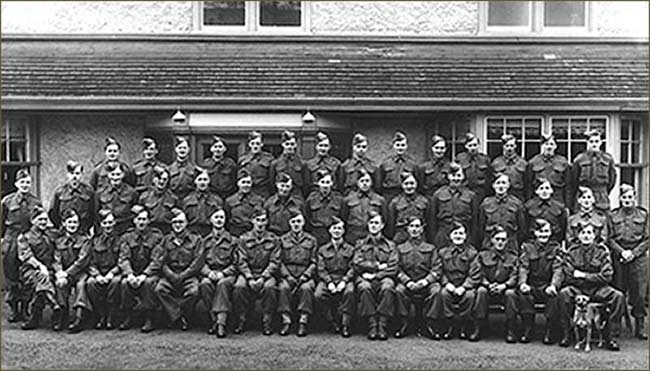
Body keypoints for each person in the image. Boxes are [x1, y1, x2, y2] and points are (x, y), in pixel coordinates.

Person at [558, 222, 625, 351]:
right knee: (564, 293)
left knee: (618, 296)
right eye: (583, 233)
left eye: (589, 233)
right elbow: (569, 276)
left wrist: (583, 275)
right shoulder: (572, 252)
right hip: (578, 289)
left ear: (594, 235)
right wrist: (592, 277)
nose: (586, 236)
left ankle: (611, 337)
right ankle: (566, 334)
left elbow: (607, 276)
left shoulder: (602, 251)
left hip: (598, 289)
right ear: (578, 235)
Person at [1, 168, 43, 322]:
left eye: (28, 182)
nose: (25, 185)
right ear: (16, 183)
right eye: (22, 182)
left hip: (27, 240)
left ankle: (25, 308)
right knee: (12, 276)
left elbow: (39, 221)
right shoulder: (7, 201)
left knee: (26, 273)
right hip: (11, 240)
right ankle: (14, 309)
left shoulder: (36, 201)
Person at [232, 207, 280, 335]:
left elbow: (274, 262)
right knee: (239, 287)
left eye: (263, 220)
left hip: (266, 273)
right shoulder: (243, 239)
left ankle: (267, 320)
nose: (260, 223)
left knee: (270, 287)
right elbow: (241, 261)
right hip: (248, 272)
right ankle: (241, 319)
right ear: (252, 221)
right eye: (258, 220)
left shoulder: (274, 239)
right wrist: (249, 277)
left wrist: (263, 277)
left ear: (267, 222)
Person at [154, 209, 204, 331]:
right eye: (175, 222)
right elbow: (161, 261)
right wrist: (170, 275)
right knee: (160, 290)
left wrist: (183, 275)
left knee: (194, 292)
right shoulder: (165, 240)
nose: (178, 225)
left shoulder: (196, 240)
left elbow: (197, 262)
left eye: (181, 222)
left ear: (187, 223)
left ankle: (176, 316)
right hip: (170, 274)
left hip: (189, 275)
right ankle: (179, 317)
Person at [117, 205, 164, 333]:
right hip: (133, 272)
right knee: (125, 283)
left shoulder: (157, 237)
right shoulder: (127, 237)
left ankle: (149, 317)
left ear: (149, 221)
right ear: (134, 221)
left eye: (144, 219)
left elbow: (157, 260)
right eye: (139, 219)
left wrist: (144, 275)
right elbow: (124, 258)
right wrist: (130, 274)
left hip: (150, 274)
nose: (141, 222)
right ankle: (127, 316)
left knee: (149, 284)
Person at [609, 184, 648, 340]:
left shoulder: (644, 215)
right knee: (618, 292)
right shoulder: (613, 216)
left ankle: (640, 327)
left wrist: (634, 253)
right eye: (624, 197)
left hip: (638, 258)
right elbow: (609, 238)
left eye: (630, 197)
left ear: (635, 197)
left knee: (639, 293)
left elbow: (647, 239)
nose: (627, 200)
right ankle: (616, 327)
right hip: (619, 256)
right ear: (620, 199)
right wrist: (622, 252)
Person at [394, 216, 441, 339]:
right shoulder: (400, 248)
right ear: (407, 229)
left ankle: (430, 325)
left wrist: (426, 281)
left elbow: (436, 268)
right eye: (412, 226)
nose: (414, 229)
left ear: (422, 229)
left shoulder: (430, 248)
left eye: (417, 226)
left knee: (436, 290)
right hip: (407, 283)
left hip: (425, 283)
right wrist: (407, 281)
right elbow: (396, 268)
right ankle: (404, 323)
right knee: (399, 290)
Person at [353, 210, 398, 341]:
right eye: (371, 223)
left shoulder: (390, 245)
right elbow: (356, 263)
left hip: (383, 277)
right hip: (364, 277)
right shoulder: (360, 244)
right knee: (365, 287)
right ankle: (372, 324)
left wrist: (376, 276)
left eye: (376, 223)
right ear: (367, 225)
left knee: (388, 287)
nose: (374, 225)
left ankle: (382, 325)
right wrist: (376, 266)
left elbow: (393, 267)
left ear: (382, 225)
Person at [517, 218, 563, 344]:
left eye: (547, 231)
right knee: (523, 295)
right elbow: (523, 267)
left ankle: (549, 330)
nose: (544, 234)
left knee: (554, 297)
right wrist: (523, 283)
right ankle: (528, 328)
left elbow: (558, 269)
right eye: (540, 231)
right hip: (532, 284)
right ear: (535, 233)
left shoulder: (555, 248)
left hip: (547, 284)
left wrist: (553, 285)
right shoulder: (527, 247)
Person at [473, 225, 519, 343]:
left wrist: (505, 285)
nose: (500, 242)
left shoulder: (513, 257)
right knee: (481, 292)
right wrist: (488, 284)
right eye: (497, 239)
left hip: (505, 289)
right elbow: (479, 273)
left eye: (503, 240)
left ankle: (510, 329)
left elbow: (515, 275)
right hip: (488, 288)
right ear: (492, 240)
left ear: (507, 241)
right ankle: (478, 327)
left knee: (511, 294)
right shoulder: (482, 255)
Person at [437, 222, 481, 341]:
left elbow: (474, 273)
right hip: (450, 284)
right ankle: (449, 325)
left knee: (470, 296)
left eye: (461, 233)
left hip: (465, 285)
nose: (458, 236)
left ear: (466, 236)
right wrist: (446, 284)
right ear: (450, 236)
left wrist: (464, 286)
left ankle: (463, 325)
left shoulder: (472, 253)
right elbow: (439, 271)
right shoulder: (442, 252)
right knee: (443, 294)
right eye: (455, 233)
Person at [277, 211, 318, 337]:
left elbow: (314, 262)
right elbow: (279, 261)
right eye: (293, 222)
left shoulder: (311, 240)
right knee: (283, 288)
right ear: (289, 223)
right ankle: (286, 321)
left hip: (305, 274)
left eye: (299, 221)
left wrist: (306, 275)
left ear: (303, 223)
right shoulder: (282, 239)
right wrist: (287, 276)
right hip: (287, 274)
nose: (296, 224)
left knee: (306, 289)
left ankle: (303, 321)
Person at [199, 208, 239, 338]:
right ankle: (213, 320)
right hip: (210, 273)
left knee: (222, 284)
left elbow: (237, 263)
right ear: (211, 220)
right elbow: (199, 262)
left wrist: (224, 273)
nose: (219, 220)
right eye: (216, 217)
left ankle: (221, 323)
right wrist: (208, 273)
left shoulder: (233, 241)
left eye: (222, 217)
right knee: (205, 284)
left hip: (227, 274)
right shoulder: (204, 241)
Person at [16, 206, 57, 330]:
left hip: (50, 269)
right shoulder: (24, 237)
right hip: (29, 270)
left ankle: (34, 318)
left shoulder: (52, 234)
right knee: (41, 277)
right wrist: (40, 266)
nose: (44, 222)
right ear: (33, 221)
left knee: (43, 280)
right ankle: (52, 302)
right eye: (40, 220)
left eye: (45, 220)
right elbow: (26, 256)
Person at [315, 216, 355, 338]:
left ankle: (345, 325)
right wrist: (329, 282)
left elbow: (353, 267)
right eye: (334, 228)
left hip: (344, 278)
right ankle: (331, 321)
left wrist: (344, 280)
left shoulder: (350, 249)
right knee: (318, 294)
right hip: (328, 278)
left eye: (339, 228)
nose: (337, 231)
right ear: (329, 230)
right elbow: (321, 269)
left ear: (343, 231)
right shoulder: (323, 249)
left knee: (350, 292)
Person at [52, 209, 91, 331]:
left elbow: (82, 260)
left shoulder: (85, 240)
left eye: (75, 222)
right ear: (64, 223)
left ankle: (80, 317)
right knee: (60, 285)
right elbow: (56, 259)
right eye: (70, 222)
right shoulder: (59, 241)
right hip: (65, 274)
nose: (73, 225)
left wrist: (66, 273)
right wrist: (59, 273)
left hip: (80, 273)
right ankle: (62, 316)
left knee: (81, 285)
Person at [428, 162, 478, 248]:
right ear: (448, 176)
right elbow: (432, 220)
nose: (456, 178)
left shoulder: (470, 196)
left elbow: (475, 221)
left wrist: (473, 240)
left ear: (463, 177)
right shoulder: (438, 194)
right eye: (453, 175)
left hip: (463, 234)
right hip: (443, 234)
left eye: (459, 175)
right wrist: (434, 239)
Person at [570, 129, 616, 212]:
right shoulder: (580, 159)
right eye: (591, 141)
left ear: (601, 142)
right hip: (584, 195)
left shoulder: (608, 159)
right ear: (587, 142)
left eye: (596, 141)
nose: (594, 144)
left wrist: (602, 191)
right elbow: (574, 180)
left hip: (601, 197)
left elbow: (612, 180)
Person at [478, 173, 526, 251]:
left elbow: (522, 228)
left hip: (510, 245)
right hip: (490, 245)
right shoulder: (486, 204)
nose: (501, 186)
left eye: (504, 183)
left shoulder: (516, 203)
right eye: (498, 183)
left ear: (508, 185)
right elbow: (480, 227)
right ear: (493, 185)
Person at [341, 169, 387, 244]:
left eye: (367, 181)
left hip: (372, 238)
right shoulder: (348, 200)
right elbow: (343, 219)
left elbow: (385, 220)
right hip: (352, 238)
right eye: (362, 181)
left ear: (371, 182)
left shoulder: (380, 200)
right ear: (357, 183)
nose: (364, 183)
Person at [49, 160, 95, 235]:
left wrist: (86, 227)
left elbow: (94, 212)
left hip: (83, 233)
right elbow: (53, 213)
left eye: (77, 173)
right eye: (71, 173)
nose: (74, 177)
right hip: (65, 233)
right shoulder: (60, 192)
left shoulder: (89, 191)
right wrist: (62, 226)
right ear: (67, 175)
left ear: (81, 175)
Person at [526, 133, 570, 206]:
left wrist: (568, 205)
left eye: (551, 144)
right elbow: (528, 185)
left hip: (558, 200)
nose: (549, 147)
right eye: (546, 144)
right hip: (538, 200)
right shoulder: (533, 162)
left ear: (555, 146)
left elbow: (568, 186)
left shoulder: (563, 162)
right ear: (542, 146)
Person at [94, 162, 138, 235]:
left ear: (123, 175)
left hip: (125, 230)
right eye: (112, 174)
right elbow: (96, 215)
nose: (115, 177)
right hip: (106, 231)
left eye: (118, 174)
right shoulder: (100, 193)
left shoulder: (132, 192)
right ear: (108, 175)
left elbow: (134, 213)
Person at [386, 171, 429, 245]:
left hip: (420, 237)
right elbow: (391, 225)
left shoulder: (424, 201)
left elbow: (429, 223)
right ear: (402, 185)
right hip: (401, 237)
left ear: (416, 184)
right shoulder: (395, 202)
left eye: (412, 183)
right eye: (406, 184)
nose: (409, 186)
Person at [304, 169, 343, 247]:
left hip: (333, 235)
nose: (325, 186)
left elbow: (343, 216)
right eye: (323, 182)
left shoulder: (339, 199)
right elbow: (307, 217)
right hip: (316, 235)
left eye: (328, 182)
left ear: (332, 183)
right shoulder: (311, 199)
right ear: (318, 183)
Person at [377, 131, 418, 203]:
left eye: (403, 145)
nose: (400, 147)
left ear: (406, 146)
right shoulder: (385, 163)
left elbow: (418, 182)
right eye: (398, 145)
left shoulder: (412, 164)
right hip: (389, 195)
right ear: (393, 146)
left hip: (406, 195)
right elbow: (379, 184)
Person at [138, 165, 179, 235]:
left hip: (167, 231)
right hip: (150, 231)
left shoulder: (173, 198)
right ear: (154, 179)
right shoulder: (144, 197)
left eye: (165, 179)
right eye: (159, 178)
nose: (162, 181)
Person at [524, 178, 567, 243]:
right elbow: (525, 227)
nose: (544, 191)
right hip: (533, 242)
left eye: (547, 188)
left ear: (551, 190)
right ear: (536, 191)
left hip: (553, 242)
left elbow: (563, 227)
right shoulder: (528, 206)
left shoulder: (560, 207)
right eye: (541, 188)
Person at [183, 168, 224, 237]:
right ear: (195, 182)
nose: (202, 182)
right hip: (192, 232)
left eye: (205, 180)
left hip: (210, 233)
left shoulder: (217, 200)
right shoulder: (187, 200)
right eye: (200, 179)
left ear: (209, 181)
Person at [224, 169, 265, 237]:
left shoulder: (259, 200)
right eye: (243, 182)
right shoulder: (230, 201)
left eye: (248, 182)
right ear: (238, 183)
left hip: (252, 233)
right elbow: (227, 221)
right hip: (235, 233)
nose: (246, 185)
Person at [270, 130, 309, 198]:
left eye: (292, 144)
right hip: (280, 196)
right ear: (283, 144)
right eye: (287, 144)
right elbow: (271, 184)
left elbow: (306, 184)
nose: (289, 147)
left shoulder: (302, 163)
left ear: (296, 145)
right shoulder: (275, 163)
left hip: (296, 196)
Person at [456, 133, 492, 203]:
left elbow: (489, 177)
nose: (472, 148)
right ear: (466, 146)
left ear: (478, 145)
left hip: (481, 193)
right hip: (465, 192)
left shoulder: (485, 159)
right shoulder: (460, 159)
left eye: (475, 145)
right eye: (470, 145)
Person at [238, 131, 275, 199]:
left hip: (263, 194)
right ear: (249, 144)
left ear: (262, 144)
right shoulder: (243, 159)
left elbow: (272, 179)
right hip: (248, 192)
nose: (255, 146)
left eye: (257, 143)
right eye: (253, 143)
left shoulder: (268, 159)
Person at [491, 134, 527, 202]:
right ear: (503, 147)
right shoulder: (496, 163)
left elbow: (527, 183)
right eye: (507, 146)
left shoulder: (523, 163)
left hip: (518, 195)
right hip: (501, 195)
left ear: (515, 146)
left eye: (511, 146)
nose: (509, 148)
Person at [203, 135, 238, 200]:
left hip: (227, 196)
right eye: (215, 147)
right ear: (211, 149)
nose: (218, 149)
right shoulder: (206, 164)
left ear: (225, 149)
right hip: (211, 197)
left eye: (220, 147)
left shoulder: (230, 164)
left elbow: (235, 180)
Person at [168, 135, 199, 200]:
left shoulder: (195, 169)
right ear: (176, 149)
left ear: (189, 149)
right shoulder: (169, 169)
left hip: (189, 201)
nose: (182, 150)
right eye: (180, 148)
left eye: (184, 148)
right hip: (172, 200)